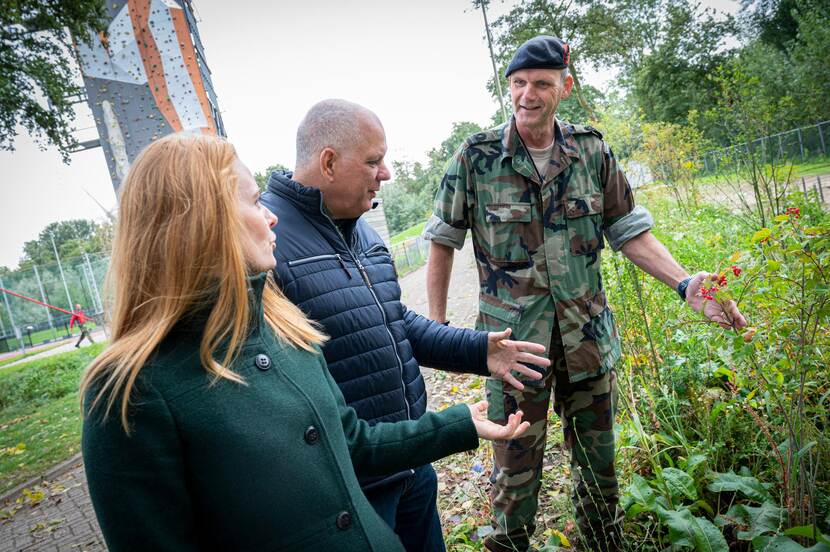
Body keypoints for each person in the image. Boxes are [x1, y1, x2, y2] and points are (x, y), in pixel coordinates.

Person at [80, 133, 532, 552]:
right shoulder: (129, 393)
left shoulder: (290, 328)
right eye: (254, 202)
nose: (269, 214)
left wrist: (458, 420)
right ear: (200, 220)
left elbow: (354, 436)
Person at [422, 36, 748, 551]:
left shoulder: (592, 151)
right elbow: (441, 241)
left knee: (600, 472)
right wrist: (439, 331)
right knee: (514, 474)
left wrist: (685, 283)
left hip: (587, 344)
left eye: (542, 84)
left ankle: (603, 544)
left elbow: (630, 231)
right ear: (508, 87)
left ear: (565, 88)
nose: (528, 95)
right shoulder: (476, 158)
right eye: (519, 84)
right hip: (513, 351)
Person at [259, 98, 552, 552]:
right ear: (329, 162)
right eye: (374, 161)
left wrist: (479, 351)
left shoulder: (364, 231)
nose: (386, 173)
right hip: (353, 488)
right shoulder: (269, 245)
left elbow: (395, 322)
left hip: (413, 463)